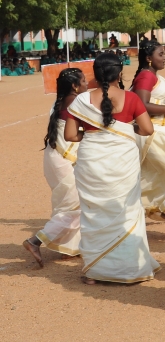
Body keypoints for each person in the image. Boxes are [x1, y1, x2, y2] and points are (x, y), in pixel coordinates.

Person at [65, 52, 159, 284]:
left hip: (91, 162)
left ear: (95, 74)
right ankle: (129, 269)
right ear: (120, 73)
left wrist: (90, 133)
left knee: (94, 213)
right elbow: (147, 130)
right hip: (122, 161)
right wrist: (127, 130)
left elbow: (69, 135)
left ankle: (95, 270)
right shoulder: (131, 98)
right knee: (126, 210)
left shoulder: (81, 100)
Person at [23, 68, 88, 267]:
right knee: (74, 207)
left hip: (55, 156)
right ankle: (35, 241)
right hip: (63, 158)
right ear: (75, 86)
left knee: (68, 204)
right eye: (84, 81)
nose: (87, 83)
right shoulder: (75, 102)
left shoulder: (60, 101)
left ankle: (69, 249)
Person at [131, 41, 165, 223]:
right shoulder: (146, 76)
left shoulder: (152, 75)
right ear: (148, 58)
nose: (164, 58)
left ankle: (162, 208)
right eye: (160, 54)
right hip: (155, 132)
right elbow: (142, 105)